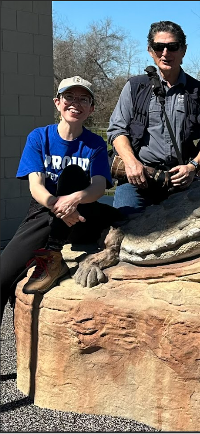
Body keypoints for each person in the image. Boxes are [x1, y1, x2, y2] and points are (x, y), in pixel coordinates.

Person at [0, 76, 124, 325]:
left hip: (83, 214)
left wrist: (73, 200)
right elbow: (36, 186)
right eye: (69, 97)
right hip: (45, 212)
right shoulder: (39, 137)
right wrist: (58, 206)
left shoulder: (95, 144)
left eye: (83, 99)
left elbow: (99, 185)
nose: (75, 104)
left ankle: (53, 256)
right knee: (4, 275)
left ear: (91, 108)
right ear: (57, 102)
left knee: (74, 175)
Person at [107, 20, 200, 214]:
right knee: (124, 231)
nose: (165, 53)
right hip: (137, 180)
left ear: (183, 50)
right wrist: (130, 162)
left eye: (172, 47)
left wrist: (193, 167)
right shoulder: (135, 87)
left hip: (181, 183)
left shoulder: (199, 92)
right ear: (150, 51)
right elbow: (117, 130)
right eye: (159, 47)